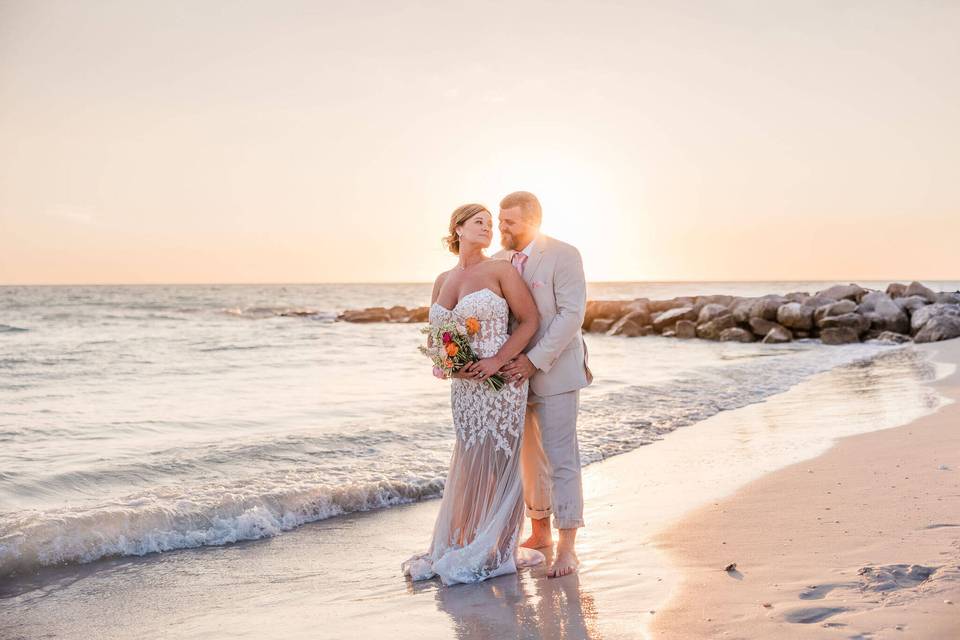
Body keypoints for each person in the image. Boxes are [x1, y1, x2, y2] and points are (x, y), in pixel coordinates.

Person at [402, 203, 544, 585]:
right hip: (464, 388)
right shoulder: (442, 279)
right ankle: (463, 538)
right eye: (478, 222)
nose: (487, 228)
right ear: (458, 229)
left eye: (489, 223)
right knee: (468, 458)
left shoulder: (500, 270)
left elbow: (530, 320)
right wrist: (446, 364)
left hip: (500, 383)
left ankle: (497, 546)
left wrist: (498, 360)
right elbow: (436, 338)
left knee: (498, 460)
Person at [494, 191, 593, 578]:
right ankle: (540, 535)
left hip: (554, 370)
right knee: (529, 461)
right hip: (513, 378)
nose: (502, 227)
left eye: (510, 222)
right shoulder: (499, 261)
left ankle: (568, 548)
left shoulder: (563, 254)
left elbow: (572, 315)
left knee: (561, 459)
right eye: (501, 220)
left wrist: (533, 361)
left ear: (532, 220)